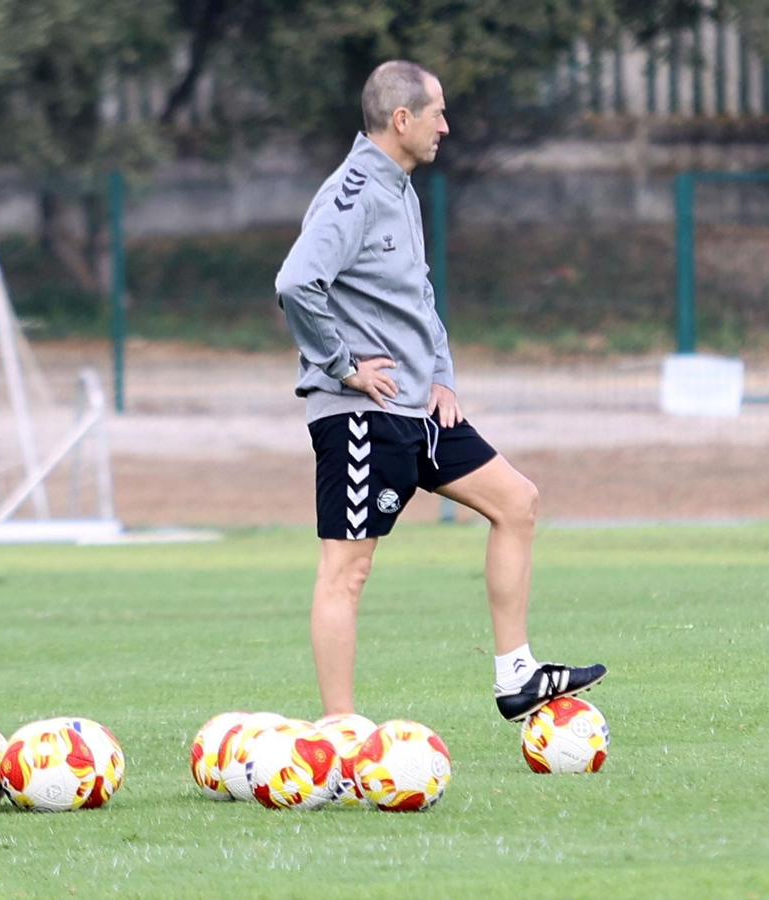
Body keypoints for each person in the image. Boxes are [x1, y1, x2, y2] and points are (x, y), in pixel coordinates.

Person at [273, 60, 606, 723]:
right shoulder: (352, 194)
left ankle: (517, 675)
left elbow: (415, 295)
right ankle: (339, 736)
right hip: (363, 413)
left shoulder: (400, 187)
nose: (446, 127)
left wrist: (443, 376)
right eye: (437, 114)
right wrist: (343, 368)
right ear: (402, 120)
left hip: (420, 409)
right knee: (348, 571)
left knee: (517, 501)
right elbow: (295, 283)